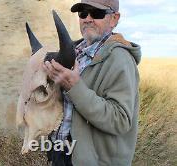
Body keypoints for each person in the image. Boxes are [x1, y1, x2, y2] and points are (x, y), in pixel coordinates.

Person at [43, 0, 142, 165]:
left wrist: (75, 87)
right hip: (61, 152)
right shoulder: (75, 52)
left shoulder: (120, 60)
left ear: (114, 19)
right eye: (82, 13)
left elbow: (120, 120)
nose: (87, 18)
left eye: (96, 12)